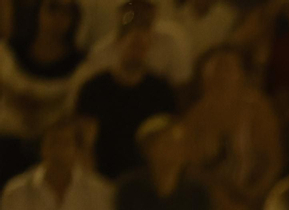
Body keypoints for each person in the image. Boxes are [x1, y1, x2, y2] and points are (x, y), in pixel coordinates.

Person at [182, 45, 282, 210]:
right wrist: (222, 193)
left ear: (241, 75)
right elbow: (192, 170)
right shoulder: (195, 118)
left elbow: (273, 162)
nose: (221, 76)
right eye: (215, 70)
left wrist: (255, 193)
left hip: (254, 195)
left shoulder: (258, 110)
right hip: (213, 199)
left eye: (227, 68)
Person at [73, 13, 178, 180]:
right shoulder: (94, 88)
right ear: (119, 44)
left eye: (143, 46)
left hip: (145, 178)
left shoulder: (161, 91)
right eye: (133, 44)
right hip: (102, 175)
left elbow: (167, 137)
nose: (138, 51)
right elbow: (84, 141)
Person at [0, 0, 85, 182]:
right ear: (38, 12)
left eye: (65, 12)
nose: (57, 18)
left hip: (53, 148)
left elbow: (72, 103)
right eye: (52, 8)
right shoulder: (8, 52)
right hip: (7, 141)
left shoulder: (80, 64)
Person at [77, 0, 192, 86]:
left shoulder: (172, 39)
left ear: (155, 11)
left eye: (144, 8)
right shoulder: (101, 51)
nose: (138, 14)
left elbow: (181, 86)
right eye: (132, 8)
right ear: (120, 12)